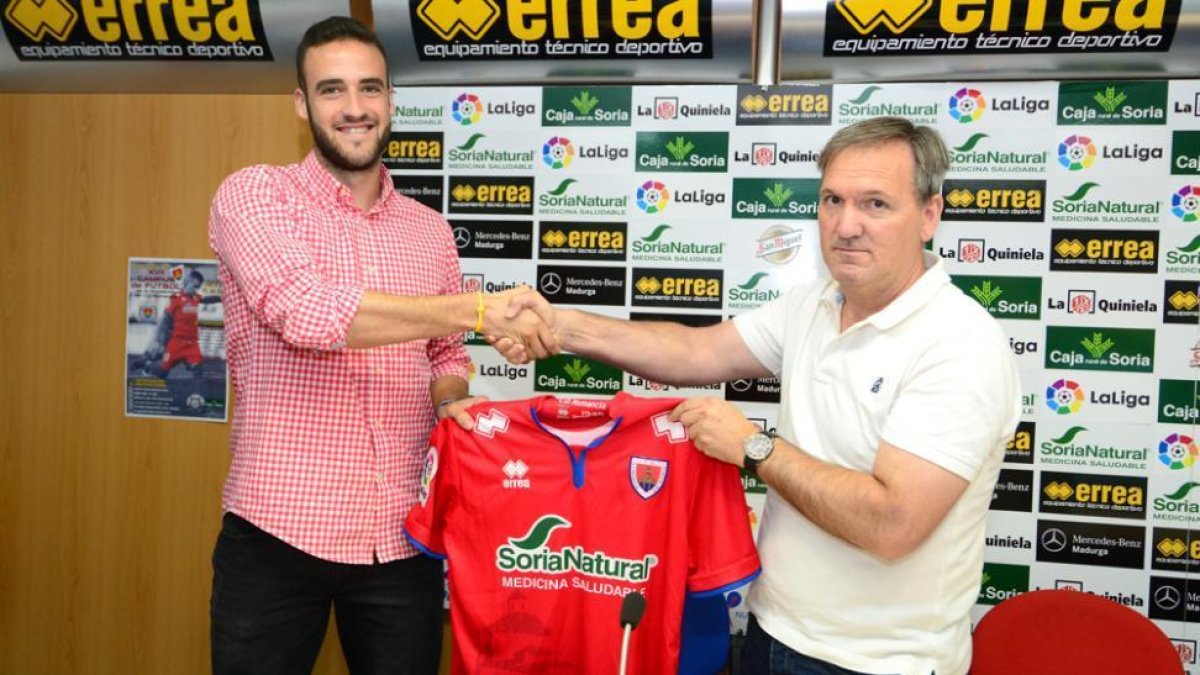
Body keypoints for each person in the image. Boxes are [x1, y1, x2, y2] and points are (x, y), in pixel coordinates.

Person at [499, 116, 1021, 675]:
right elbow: (693, 354)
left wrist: (755, 447)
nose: (846, 225)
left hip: (879, 664)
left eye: (875, 204)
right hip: (771, 635)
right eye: (832, 200)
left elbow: (891, 524)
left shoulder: (960, 343)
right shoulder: (814, 304)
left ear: (928, 216)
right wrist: (561, 325)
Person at [206, 16, 555, 675]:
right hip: (278, 533)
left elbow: (445, 354)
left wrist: (453, 398)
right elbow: (307, 313)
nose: (355, 108)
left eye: (370, 88)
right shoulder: (255, 194)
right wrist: (482, 308)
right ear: (302, 104)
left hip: (401, 535)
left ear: (391, 100)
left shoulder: (430, 231)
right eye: (332, 90)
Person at [131, 267, 220, 379]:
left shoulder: (195, 298)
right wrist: (160, 340)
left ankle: (195, 394)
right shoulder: (176, 299)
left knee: (198, 370)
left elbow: (207, 299)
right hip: (176, 343)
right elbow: (165, 320)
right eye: (195, 285)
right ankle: (146, 365)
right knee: (162, 373)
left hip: (192, 344)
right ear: (188, 281)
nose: (196, 289)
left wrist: (221, 298)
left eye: (198, 287)